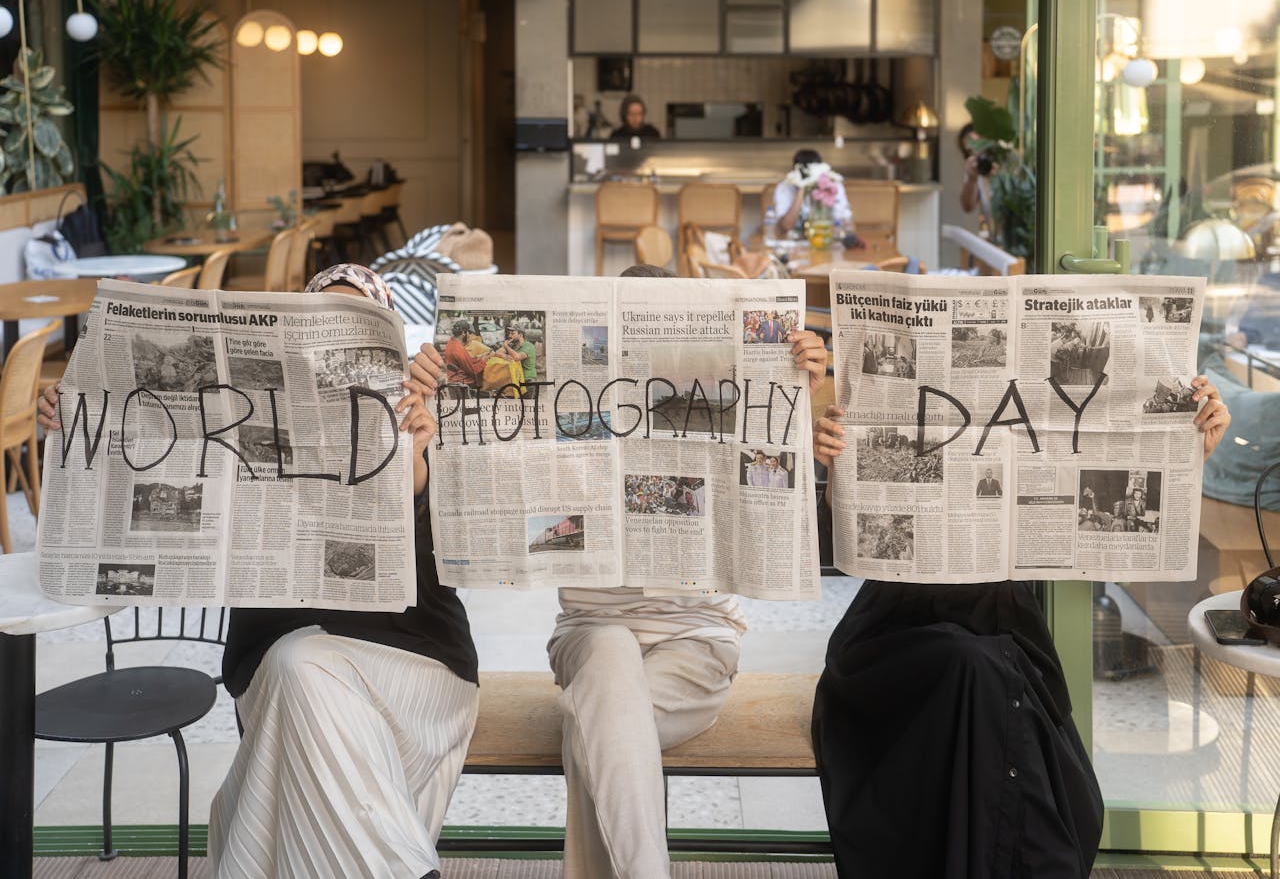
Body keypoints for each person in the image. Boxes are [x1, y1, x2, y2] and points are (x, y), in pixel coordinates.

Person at [41, 265, 478, 879]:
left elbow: (463, 565)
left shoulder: (416, 419)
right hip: (279, 677)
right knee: (299, 669)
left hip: (413, 674)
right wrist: (86, 425)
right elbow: (127, 519)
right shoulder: (235, 419)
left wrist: (421, 470)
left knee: (296, 694)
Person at [809, 375, 1231, 879]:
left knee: (989, 676)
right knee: (977, 670)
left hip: (1006, 630)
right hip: (891, 637)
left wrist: (1184, 457)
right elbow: (834, 550)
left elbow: (1112, 542)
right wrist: (839, 474)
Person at [549, 262, 828, 879]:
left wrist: (799, 389)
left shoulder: (719, 405)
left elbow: (786, 502)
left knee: (593, 724)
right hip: (592, 628)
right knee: (608, 665)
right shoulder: (580, 405)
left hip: (696, 639)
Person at [774, 149, 853, 236]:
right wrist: (802, 188)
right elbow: (786, 226)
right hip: (795, 242)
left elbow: (848, 224)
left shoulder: (833, 185)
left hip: (826, 238)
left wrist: (823, 189)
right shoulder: (785, 187)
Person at [444, 318, 488, 388]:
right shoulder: (458, 349)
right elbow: (473, 371)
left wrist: (478, 358)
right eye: (468, 332)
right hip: (465, 384)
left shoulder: (450, 343)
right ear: (464, 333)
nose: (469, 335)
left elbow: (463, 362)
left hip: (453, 380)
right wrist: (483, 361)